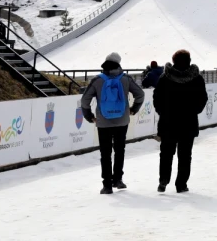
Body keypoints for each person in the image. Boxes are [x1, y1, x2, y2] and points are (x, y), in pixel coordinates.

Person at [81, 52, 145, 194]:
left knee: (105, 153)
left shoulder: (97, 80)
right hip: (122, 120)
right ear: (119, 64)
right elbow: (140, 94)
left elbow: (84, 101)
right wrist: (133, 109)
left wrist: (89, 116)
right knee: (119, 150)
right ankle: (118, 180)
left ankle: (107, 185)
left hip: (103, 122)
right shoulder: (126, 79)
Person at [152, 49, 207, 194]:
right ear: (189, 61)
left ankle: (163, 181)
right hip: (188, 122)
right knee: (185, 155)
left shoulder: (165, 77)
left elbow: (156, 98)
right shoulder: (197, 78)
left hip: (168, 122)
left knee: (166, 154)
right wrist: (194, 111)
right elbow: (203, 99)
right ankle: (181, 184)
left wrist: (162, 112)